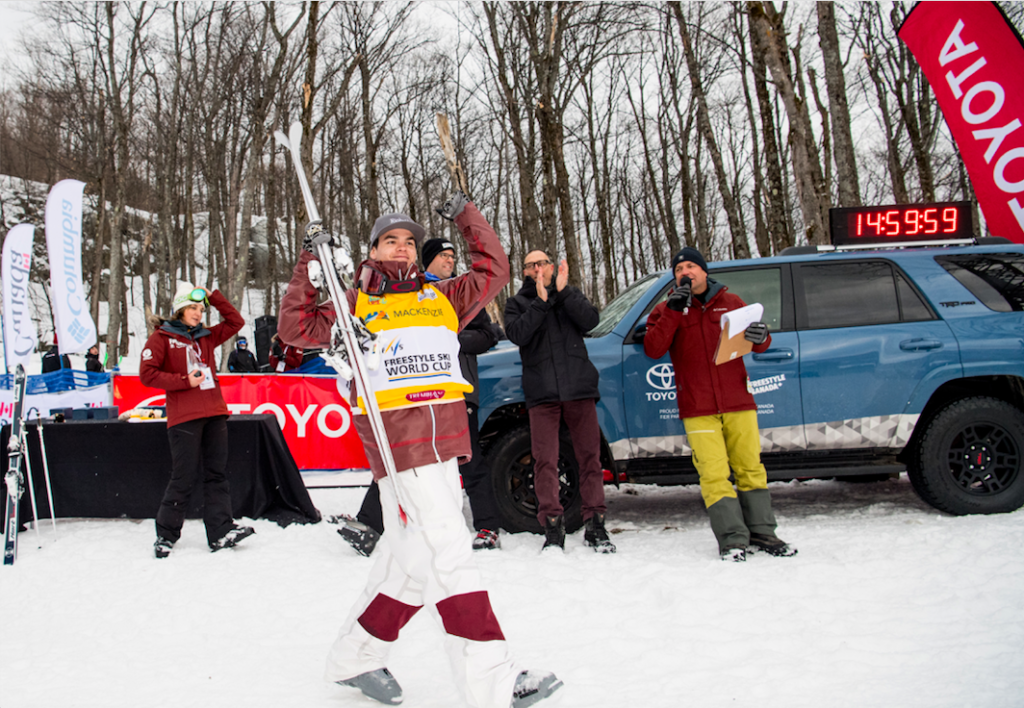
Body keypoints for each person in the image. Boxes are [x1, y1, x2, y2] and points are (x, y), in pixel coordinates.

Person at [278, 196, 561, 708]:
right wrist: (309, 265)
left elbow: (493, 268)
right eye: (391, 240)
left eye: (410, 240)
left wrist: (466, 215)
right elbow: (294, 327)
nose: (403, 248)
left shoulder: (441, 296)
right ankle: (493, 681)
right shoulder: (353, 305)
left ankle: (355, 656)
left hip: (446, 444)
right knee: (451, 551)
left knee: (409, 558)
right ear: (372, 252)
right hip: (399, 445)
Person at [334, 238, 503, 555]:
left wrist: (440, 335)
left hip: (455, 391)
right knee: (400, 457)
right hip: (410, 393)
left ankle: (487, 525)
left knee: (470, 461)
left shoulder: (454, 293)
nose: (450, 261)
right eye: (443, 256)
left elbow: (488, 333)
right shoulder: (414, 290)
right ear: (428, 261)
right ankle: (370, 526)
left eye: (453, 256)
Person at [642, 246, 797, 562]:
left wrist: (761, 336)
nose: (686, 272)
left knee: (750, 468)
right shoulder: (664, 309)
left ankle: (764, 533)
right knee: (713, 475)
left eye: (691, 266)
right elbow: (653, 349)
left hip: (738, 400)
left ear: (704, 271)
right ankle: (732, 540)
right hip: (697, 407)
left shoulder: (731, 302)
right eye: (679, 269)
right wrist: (673, 310)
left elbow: (760, 343)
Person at [503, 251, 615, 554]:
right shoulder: (517, 304)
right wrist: (540, 303)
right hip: (543, 394)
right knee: (545, 461)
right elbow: (518, 335)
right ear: (525, 271)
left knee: (590, 459)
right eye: (531, 265)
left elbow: (591, 321)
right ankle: (552, 527)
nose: (538, 269)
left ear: (553, 268)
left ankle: (596, 524)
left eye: (543, 263)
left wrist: (563, 293)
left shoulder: (570, 295)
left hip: (579, 389)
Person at [140, 282, 255, 559]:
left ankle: (220, 532)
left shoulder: (205, 336)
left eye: (200, 309)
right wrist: (183, 380)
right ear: (180, 309)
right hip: (184, 417)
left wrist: (213, 297)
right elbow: (147, 374)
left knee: (216, 474)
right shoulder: (162, 337)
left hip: (214, 413)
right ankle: (166, 536)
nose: (198, 313)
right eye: (192, 307)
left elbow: (236, 321)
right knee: (183, 477)